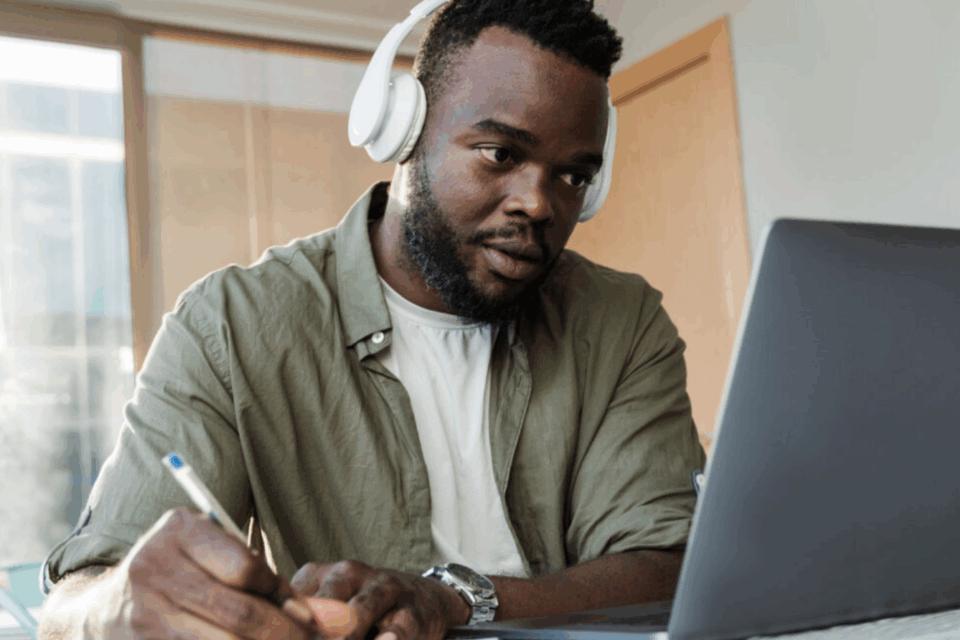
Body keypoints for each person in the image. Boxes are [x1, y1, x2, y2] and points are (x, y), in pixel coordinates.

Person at [38, 1, 706, 638]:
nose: (538, 203)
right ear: (403, 130)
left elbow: (669, 565)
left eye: (572, 175)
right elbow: (75, 601)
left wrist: (452, 600)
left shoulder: (621, 321)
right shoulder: (230, 326)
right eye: (500, 154)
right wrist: (112, 608)